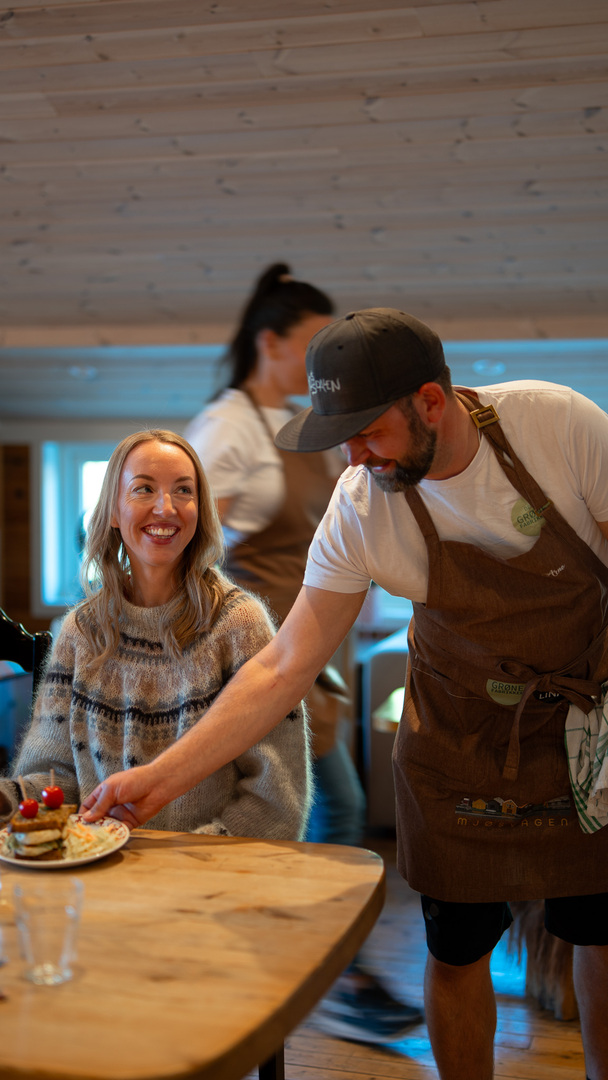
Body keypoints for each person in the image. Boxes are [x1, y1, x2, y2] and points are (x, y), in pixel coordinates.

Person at [82, 310, 608, 1080]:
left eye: (368, 431)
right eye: (342, 435)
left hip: (584, 728)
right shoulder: (361, 506)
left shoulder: (558, 426)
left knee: (597, 925)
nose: (353, 457)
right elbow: (282, 665)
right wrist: (158, 781)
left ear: (431, 401)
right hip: (457, 745)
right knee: (456, 948)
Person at [184, 264, 419, 1043]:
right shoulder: (227, 427)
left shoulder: (300, 429)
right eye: (311, 346)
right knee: (336, 809)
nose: (321, 365)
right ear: (270, 342)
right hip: (267, 659)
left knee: (325, 812)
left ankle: (312, 971)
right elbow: (175, 535)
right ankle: (329, 977)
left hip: (319, 658)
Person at [0, 429, 309, 841]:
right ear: (113, 510)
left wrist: (192, 862)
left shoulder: (239, 625)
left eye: (183, 490)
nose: (165, 508)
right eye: (143, 489)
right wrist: (9, 799)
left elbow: (277, 798)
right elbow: (57, 778)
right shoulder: (81, 631)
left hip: (210, 880)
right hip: (102, 875)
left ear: (200, 511)